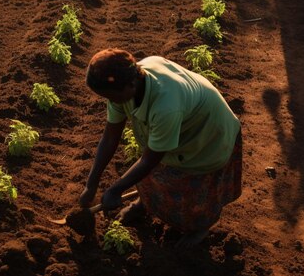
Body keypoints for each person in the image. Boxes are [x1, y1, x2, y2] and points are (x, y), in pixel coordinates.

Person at [79, 48, 242, 247]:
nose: (110, 102)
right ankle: (143, 204)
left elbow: (150, 160)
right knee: (151, 175)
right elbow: (110, 137)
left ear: (131, 84)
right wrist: (91, 183)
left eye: (112, 97)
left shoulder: (166, 105)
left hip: (207, 137)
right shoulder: (125, 83)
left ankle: (198, 229)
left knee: (193, 197)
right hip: (178, 132)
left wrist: (115, 190)